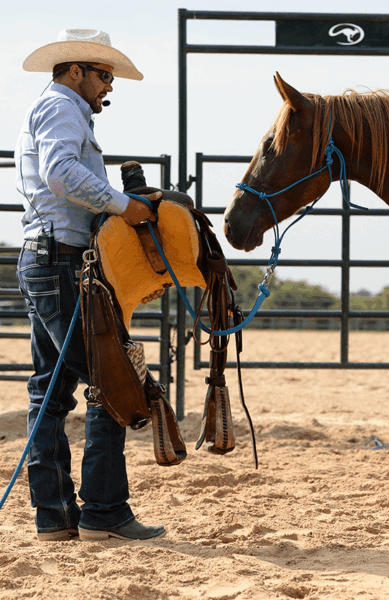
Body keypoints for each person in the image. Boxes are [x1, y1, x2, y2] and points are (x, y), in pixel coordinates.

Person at [15, 29, 165, 542]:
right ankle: (103, 511)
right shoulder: (62, 108)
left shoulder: (57, 108)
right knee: (111, 377)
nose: (109, 86)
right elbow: (60, 173)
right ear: (75, 71)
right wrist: (126, 206)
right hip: (61, 260)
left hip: (47, 257)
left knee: (50, 390)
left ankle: (55, 515)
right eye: (104, 75)